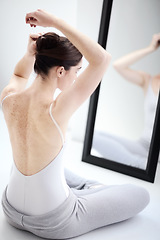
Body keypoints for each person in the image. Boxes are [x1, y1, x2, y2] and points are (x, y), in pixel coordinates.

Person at [1, 9, 149, 239]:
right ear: (61, 70)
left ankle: (85, 188)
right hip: (53, 222)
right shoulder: (57, 109)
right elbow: (102, 59)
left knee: (48, 165)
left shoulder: (8, 98)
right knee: (140, 194)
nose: (77, 77)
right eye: (77, 71)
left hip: (10, 210)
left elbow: (20, 76)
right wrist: (55, 22)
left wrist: (31, 53)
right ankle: (90, 189)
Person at [93, 33, 160, 169]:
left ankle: (143, 165)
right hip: (144, 146)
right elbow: (119, 65)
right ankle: (141, 164)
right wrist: (151, 48)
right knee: (93, 136)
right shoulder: (149, 80)